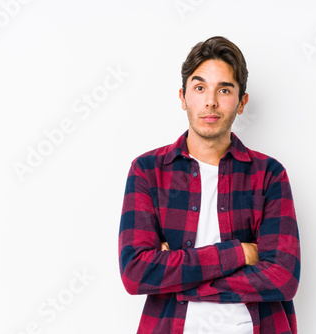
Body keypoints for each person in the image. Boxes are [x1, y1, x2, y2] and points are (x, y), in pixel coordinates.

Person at [118, 36, 300, 334]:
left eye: (224, 90)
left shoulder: (268, 175)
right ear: (182, 97)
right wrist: (240, 254)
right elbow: (136, 273)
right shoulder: (148, 171)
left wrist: (175, 277)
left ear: (242, 102)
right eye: (199, 88)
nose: (210, 101)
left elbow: (283, 277)